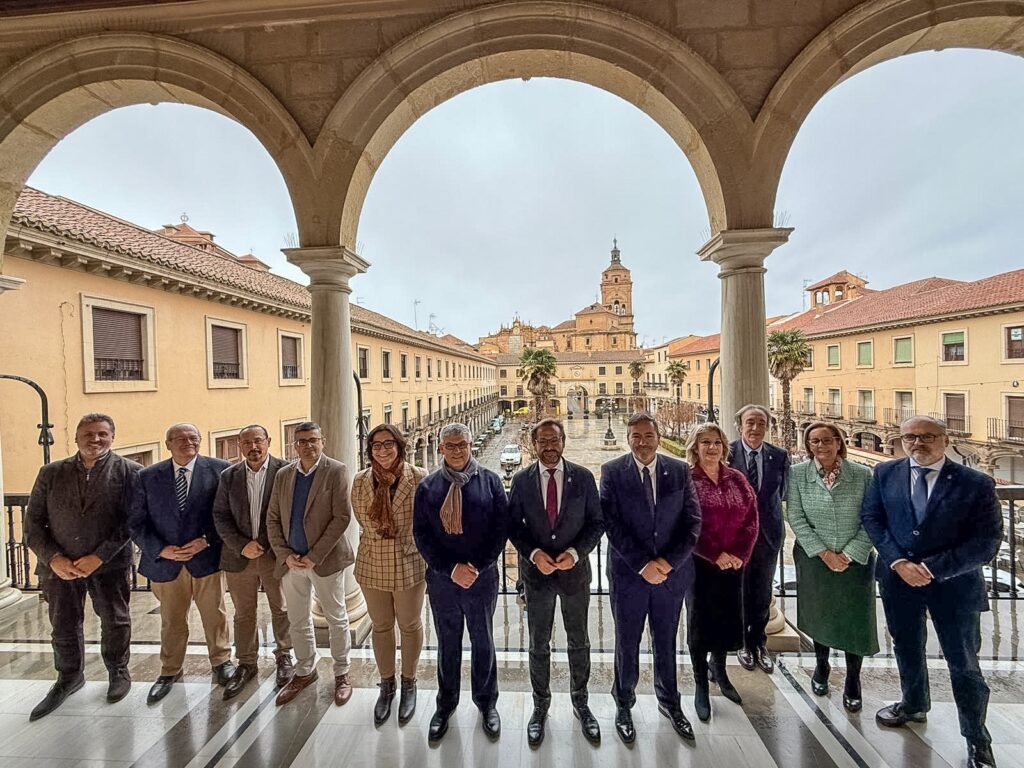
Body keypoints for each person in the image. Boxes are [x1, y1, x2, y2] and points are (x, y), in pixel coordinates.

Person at [861, 416, 1002, 768]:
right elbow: (873, 520)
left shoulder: (976, 482)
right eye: (910, 436)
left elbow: (987, 542)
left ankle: (976, 739)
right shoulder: (885, 474)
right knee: (907, 648)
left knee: (964, 663)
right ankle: (913, 704)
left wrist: (933, 569)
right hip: (898, 581)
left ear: (945, 439)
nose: (917, 443)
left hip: (955, 586)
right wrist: (897, 562)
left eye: (926, 436)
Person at [24, 413, 139, 720]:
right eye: (88, 434)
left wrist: (99, 556)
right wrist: (54, 558)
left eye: (102, 434)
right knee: (62, 625)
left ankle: (118, 671)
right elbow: (33, 523)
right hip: (59, 568)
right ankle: (68, 677)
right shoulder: (50, 473)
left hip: (108, 566)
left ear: (112, 438)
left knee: (115, 620)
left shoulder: (130, 472)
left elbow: (131, 522)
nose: (95, 439)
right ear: (76, 438)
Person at [600, 412, 701, 744]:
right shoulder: (612, 472)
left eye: (648, 435)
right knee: (626, 643)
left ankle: (670, 703)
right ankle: (624, 705)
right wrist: (643, 564)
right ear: (628, 439)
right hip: (629, 575)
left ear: (658, 437)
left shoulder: (679, 470)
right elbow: (611, 524)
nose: (642, 442)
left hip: (670, 577)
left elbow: (692, 522)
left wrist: (668, 564)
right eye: (636, 436)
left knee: (666, 641)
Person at [508, 418, 604, 747]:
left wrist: (576, 554)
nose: (549, 447)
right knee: (538, 644)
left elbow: (596, 523)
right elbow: (514, 527)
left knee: (579, 641)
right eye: (542, 442)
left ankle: (581, 702)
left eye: (555, 440)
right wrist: (533, 553)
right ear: (533, 445)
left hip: (574, 574)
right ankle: (540, 707)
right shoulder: (520, 481)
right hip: (537, 577)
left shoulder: (584, 477)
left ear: (564, 442)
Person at [413, 423, 508, 743]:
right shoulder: (427, 487)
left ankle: (487, 703)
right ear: (441, 449)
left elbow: (500, 531)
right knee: (447, 644)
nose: (457, 450)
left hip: (482, 579)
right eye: (450, 445)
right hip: (443, 581)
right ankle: (445, 705)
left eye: (462, 445)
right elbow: (422, 536)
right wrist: (451, 569)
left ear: (470, 446)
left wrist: (477, 567)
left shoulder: (491, 482)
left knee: (483, 642)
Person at [130, 422, 234, 704]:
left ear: (200, 441)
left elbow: (227, 514)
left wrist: (206, 540)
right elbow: (136, 522)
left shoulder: (220, 469)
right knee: (172, 620)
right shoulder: (147, 476)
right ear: (168, 444)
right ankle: (169, 670)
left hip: (206, 559)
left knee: (215, 615)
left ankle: (222, 661)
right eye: (180, 438)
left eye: (193, 438)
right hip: (166, 564)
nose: (188, 442)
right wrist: (161, 550)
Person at [787, 422, 877, 712]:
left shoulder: (863, 475)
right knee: (819, 614)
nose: (820, 446)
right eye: (814, 441)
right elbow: (796, 517)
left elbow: (872, 518)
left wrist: (849, 553)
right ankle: (821, 665)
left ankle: (853, 679)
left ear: (839, 442)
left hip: (856, 560)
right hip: (815, 559)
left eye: (826, 440)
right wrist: (824, 553)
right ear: (807, 445)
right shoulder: (797, 473)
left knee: (855, 620)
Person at [267, 421, 355, 708]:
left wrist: (314, 555)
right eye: (301, 440)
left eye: (312, 439)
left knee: (336, 617)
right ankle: (305, 670)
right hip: (291, 561)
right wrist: (284, 554)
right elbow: (273, 519)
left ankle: (342, 672)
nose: (307, 445)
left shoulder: (336, 470)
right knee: (297, 619)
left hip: (324, 560)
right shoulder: (283, 475)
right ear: (295, 445)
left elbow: (341, 517)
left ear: (323, 441)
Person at [351, 424, 428, 726]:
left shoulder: (419, 478)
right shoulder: (359, 481)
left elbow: (426, 521)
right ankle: (387, 684)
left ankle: (409, 682)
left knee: (409, 624)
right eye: (375, 445)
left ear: (399, 446)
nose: (382, 450)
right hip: (372, 564)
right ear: (369, 450)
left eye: (388, 444)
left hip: (410, 563)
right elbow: (360, 517)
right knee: (381, 626)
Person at [212, 424, 294, 700]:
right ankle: (247, 663)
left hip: (275, 555)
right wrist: (242, 545)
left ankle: (284, 656)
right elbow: (220, 516)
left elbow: (291, 515)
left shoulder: (285, 472)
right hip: (240, 557)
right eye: (246, 442)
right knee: (243, 613)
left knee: (281, 608)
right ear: (239, 445)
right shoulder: (228, 476)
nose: (253, 447)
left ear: (268, 442)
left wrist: (272, 546)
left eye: (258, 441)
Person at [686, 423, 758, 723]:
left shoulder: (737, 479)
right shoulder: (687, 480)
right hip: (700, 566)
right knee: (700, 625)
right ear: (695, 447)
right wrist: (715, 554)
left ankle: (721, 672)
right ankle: (701, 684)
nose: (711, 448)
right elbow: (686, 524)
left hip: (733, 567)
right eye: (705, 442)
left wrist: (739, 555)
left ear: (724, 447)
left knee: (728, 622)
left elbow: (752, 519)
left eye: (716, 442)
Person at [728, 404, 789, 673]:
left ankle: (759, 643)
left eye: (761, 423)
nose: (755, 428)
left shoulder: (779, 455)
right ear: (739, 425)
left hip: (767, 535)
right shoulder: (727, 453)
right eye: (750, 422)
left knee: (763, 592)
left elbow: (782, 494)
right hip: (736, 538)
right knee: (739, 591)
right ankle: (741, 642)